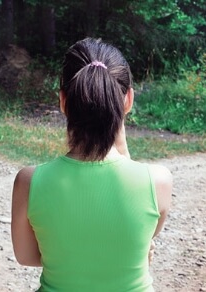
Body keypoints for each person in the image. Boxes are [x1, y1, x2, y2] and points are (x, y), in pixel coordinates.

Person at [10, 38, 173, 291]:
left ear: (63, 101)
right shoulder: (158, 181)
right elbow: (138, 243)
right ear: (128, 100)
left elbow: (26, 257)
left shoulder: (29, 182)